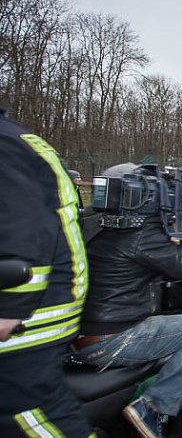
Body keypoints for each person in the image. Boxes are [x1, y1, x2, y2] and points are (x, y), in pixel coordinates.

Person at [72, 163, 182, 438]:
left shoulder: (94, 224)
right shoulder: (142, 236)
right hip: (113, 339)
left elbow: (134, 262)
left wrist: (179, 258)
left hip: (80, 333)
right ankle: (154, 407)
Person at [0, 109, 93, 438]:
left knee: (28, 411)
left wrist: (10, 307)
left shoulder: (8, 145)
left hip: (34, 313)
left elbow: (26, 231)